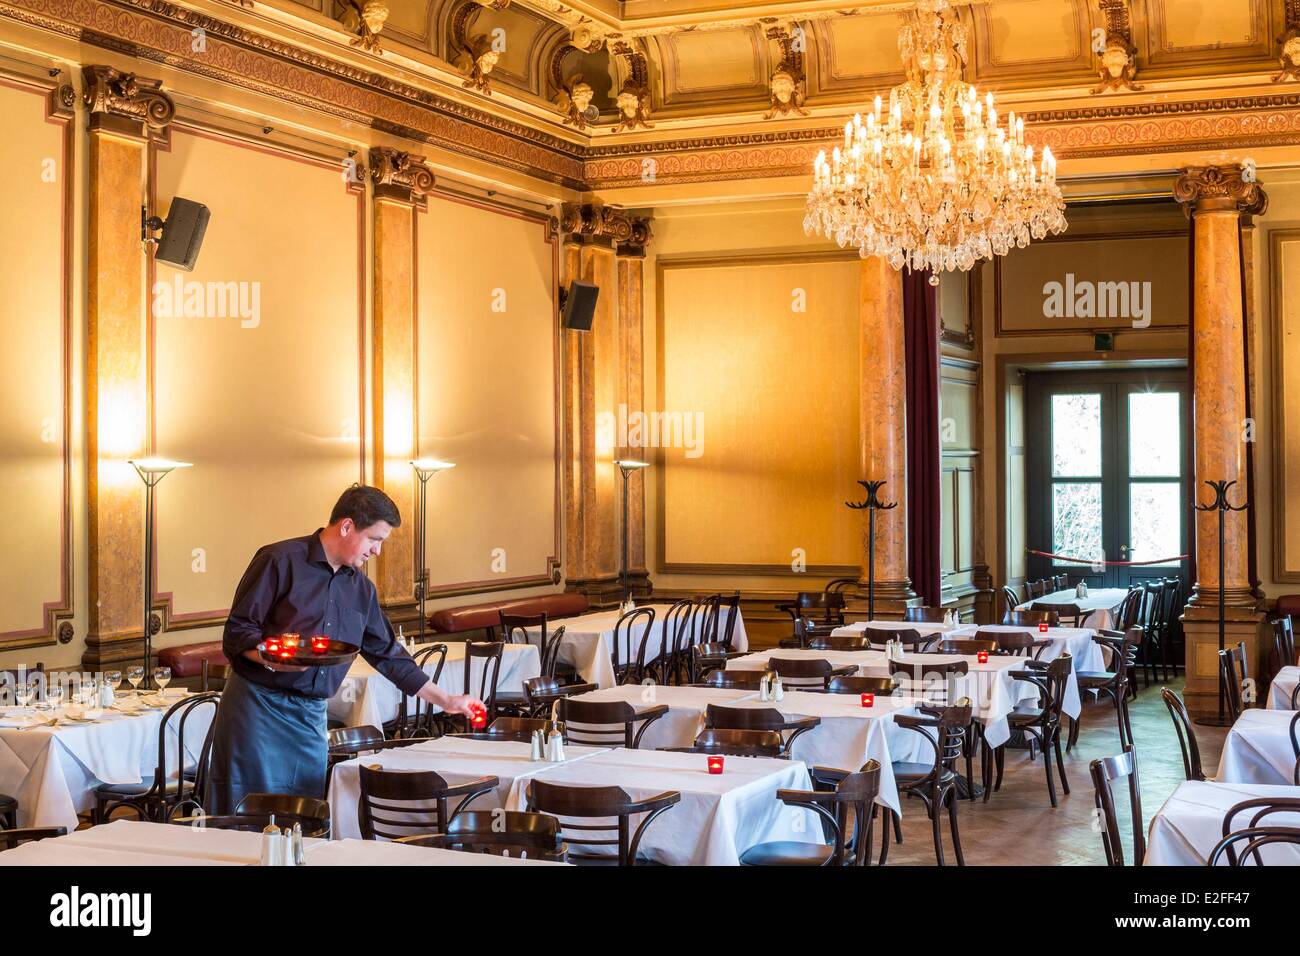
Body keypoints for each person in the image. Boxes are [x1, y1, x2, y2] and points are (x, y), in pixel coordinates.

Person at [207, 485, 483, 813]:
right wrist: (271, 660)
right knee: (247, 809)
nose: (377, 551)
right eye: (374, 539)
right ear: (347, 526)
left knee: (303, 811)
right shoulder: (279, 560)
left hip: (311, 716)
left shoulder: (361, 589)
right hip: (256, 708)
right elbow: (237, 633)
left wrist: (447, 700)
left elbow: (388, 654)